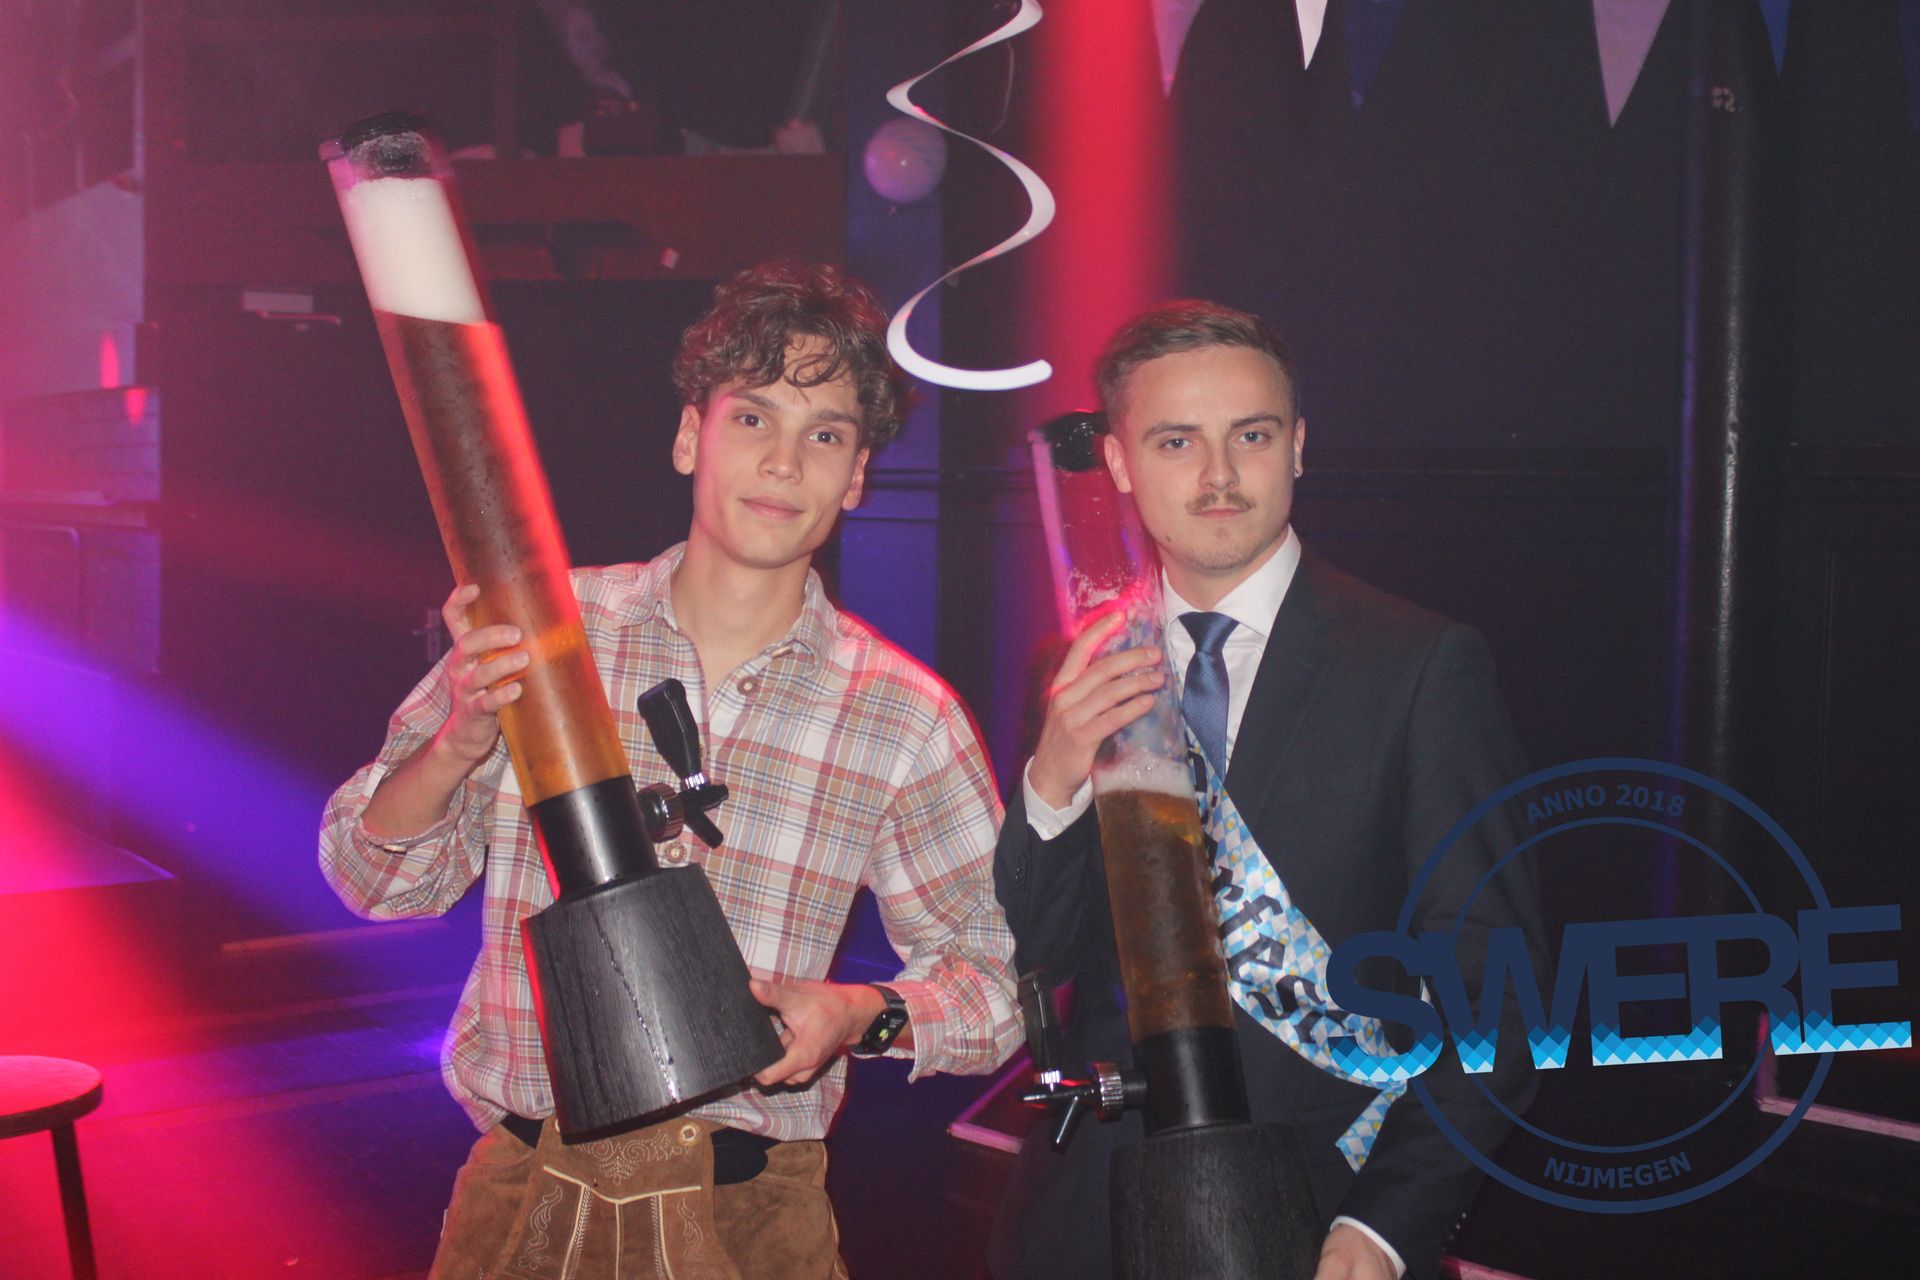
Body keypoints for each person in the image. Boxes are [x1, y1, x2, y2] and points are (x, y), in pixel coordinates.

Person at [320, 261, 1021, 1278]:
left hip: (752, 1222)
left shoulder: (904, 713)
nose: (783, 462)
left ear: (858, 476)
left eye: (825, 435)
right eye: (754, 419)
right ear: (692, 436)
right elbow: (372, 878)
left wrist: (857, 1015)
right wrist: (461, 739)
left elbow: (996, 978)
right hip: (527, 1196)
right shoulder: (545, 628)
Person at [987, 301, 1544, 1280]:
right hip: (1092, 1219)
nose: (1217, 475)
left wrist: (1383, 1228)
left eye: (1250, 435)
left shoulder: (1417, 665)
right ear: (1119, 462)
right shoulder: (1080, 666)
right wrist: (1053, 778)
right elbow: (1039, 953)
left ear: (1297, 446)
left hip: (1321, 1212)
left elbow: (1495, 995)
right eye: (1175, 441)